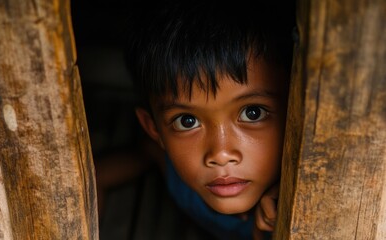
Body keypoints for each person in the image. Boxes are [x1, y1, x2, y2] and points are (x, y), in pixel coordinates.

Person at [123, 1, 295, 239]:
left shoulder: (299, 209)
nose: (220, 154)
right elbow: (141, 154)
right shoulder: (178, 176)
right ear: (155, 130)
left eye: (252, 113)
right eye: (187, 121)